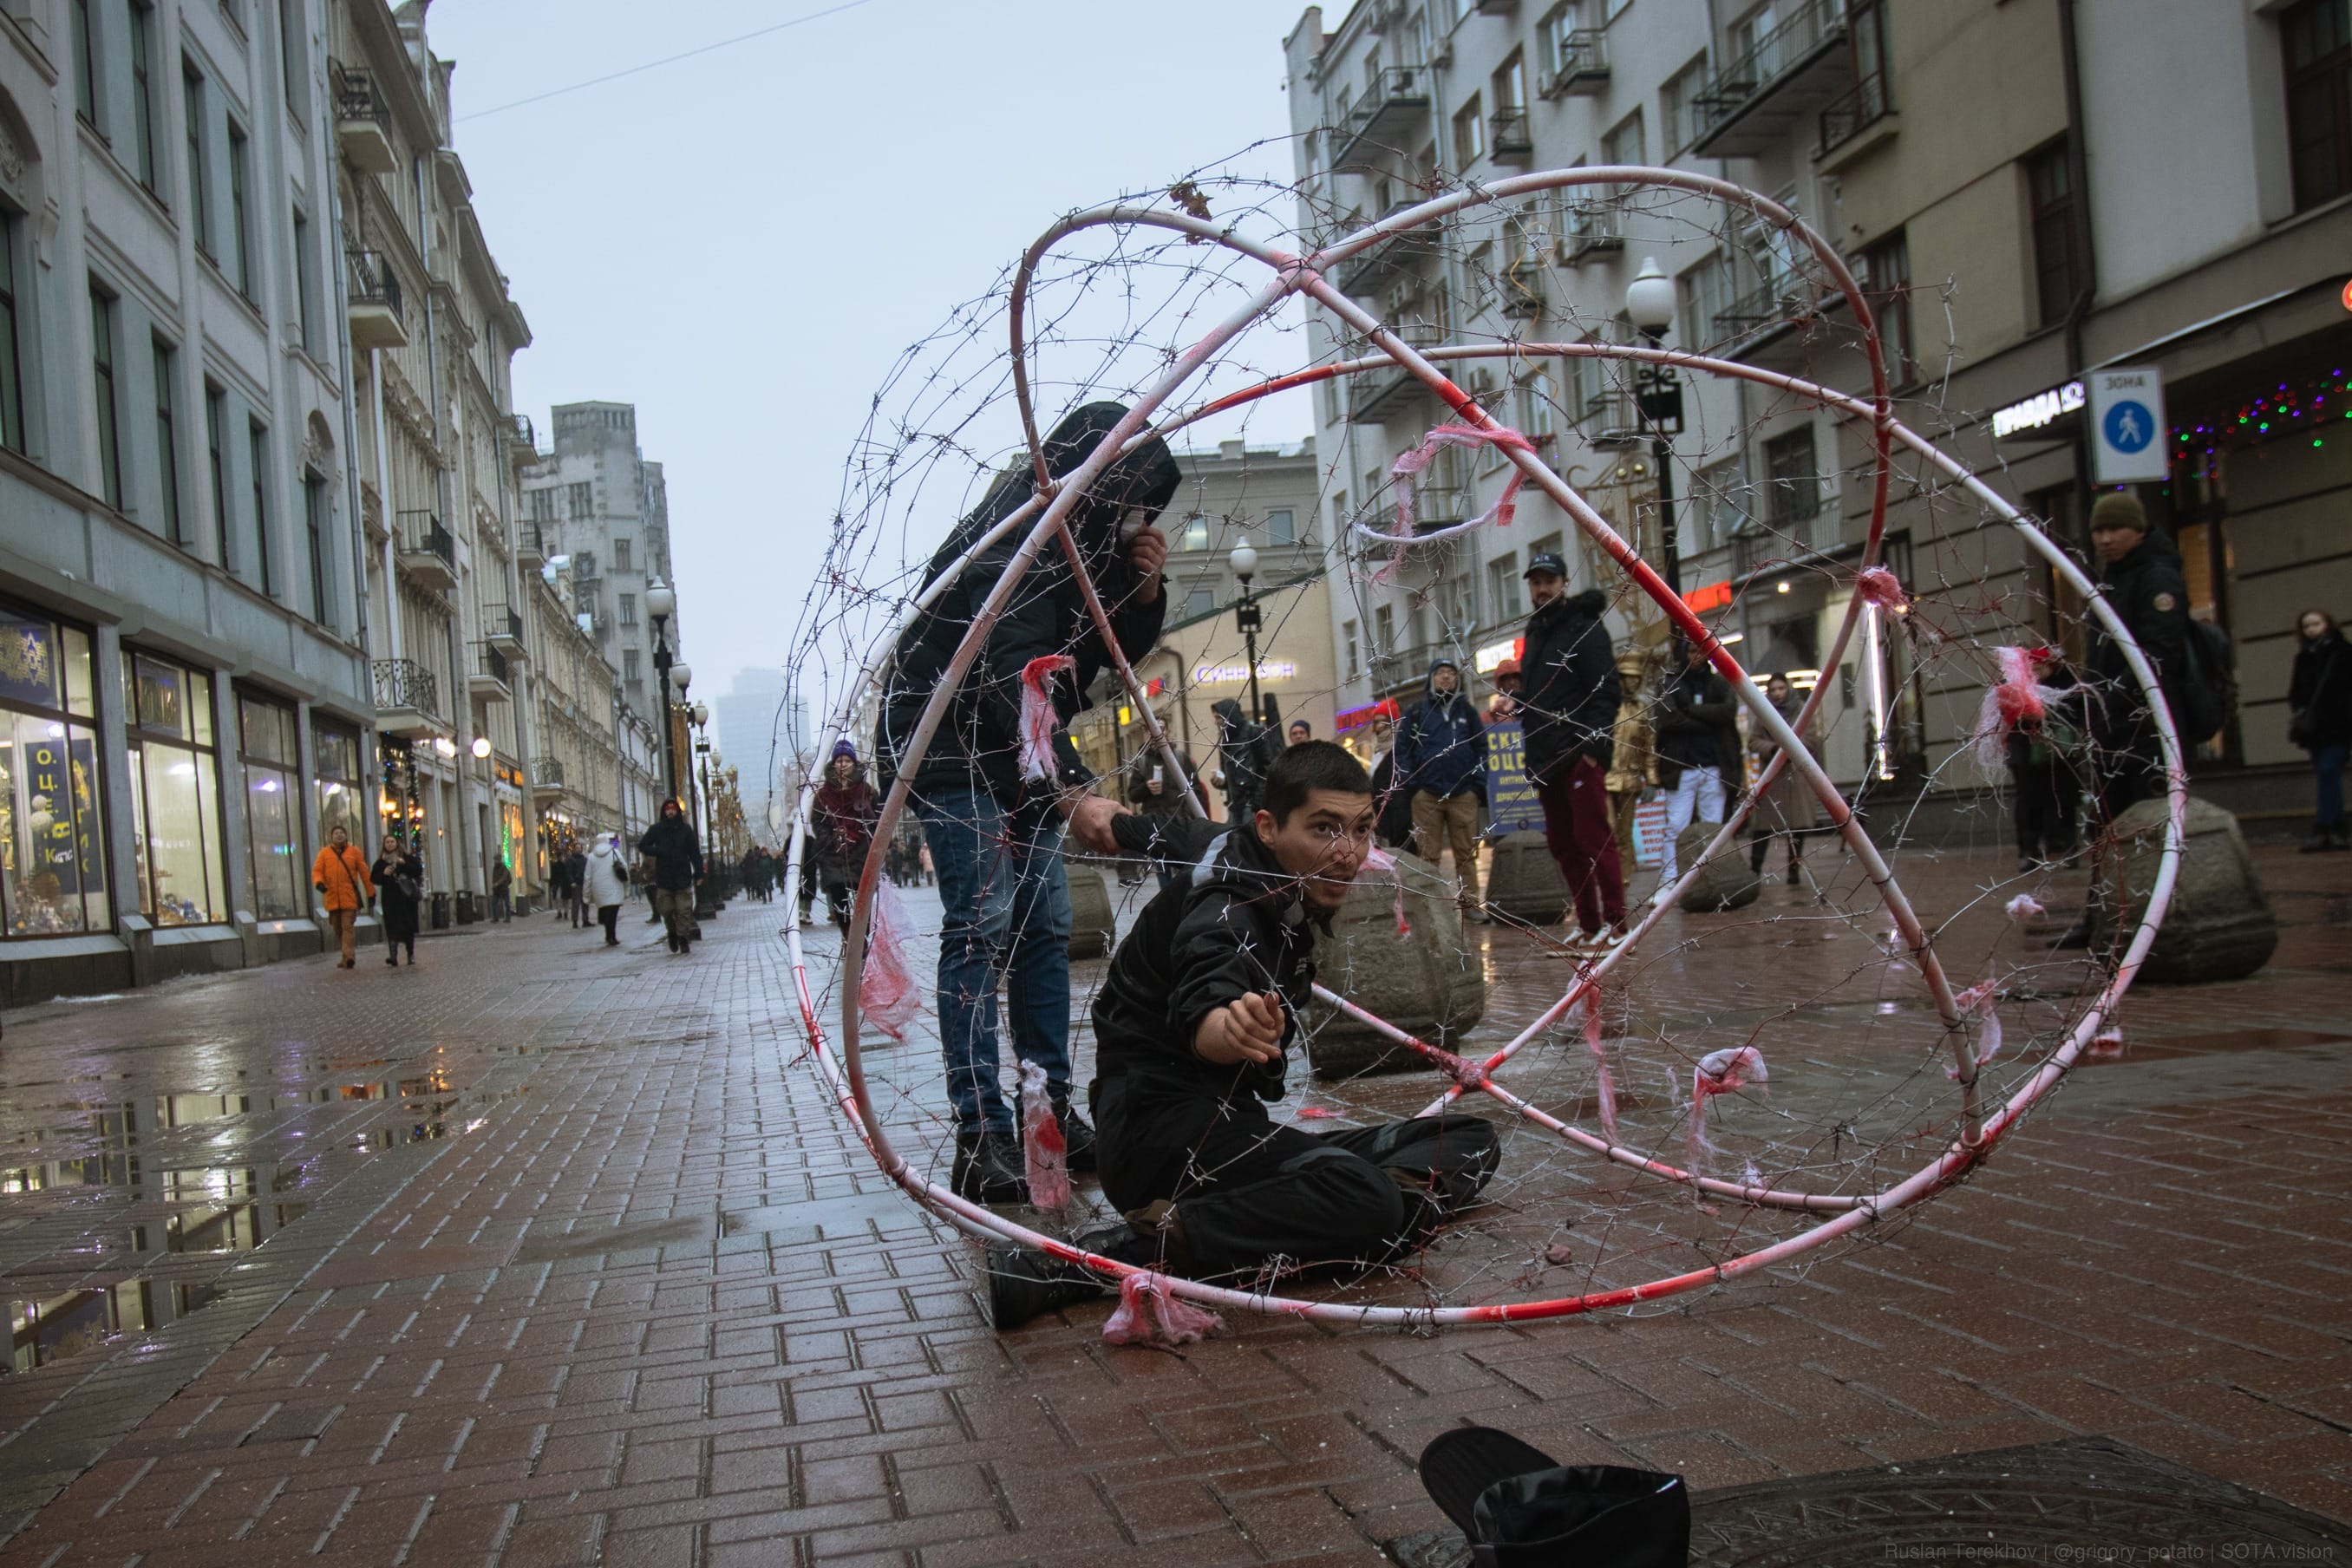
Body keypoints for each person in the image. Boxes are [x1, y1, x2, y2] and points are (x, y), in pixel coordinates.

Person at [983, 742, 1501, 1330]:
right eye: (1324, 829)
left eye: (1361, 830)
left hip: (1227, 1127)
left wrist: (1112, 821)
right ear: (1270, 827)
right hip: (1160, 1143)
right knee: (1369, 1201)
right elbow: (1212, 979)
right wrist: (1227, 1026)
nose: (1347, 853)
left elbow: (1176, 832)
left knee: (1467, 1136)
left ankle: (1346, 1213)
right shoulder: (1230, 905)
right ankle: (1100, 1259)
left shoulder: (1236, 850)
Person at [877, 400, 1179, 1204]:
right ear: (1097, 478)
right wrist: (1067, 793)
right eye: (1131, 495)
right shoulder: (1019, 541)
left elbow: (1095, 656)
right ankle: (980, 1132)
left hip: (1018, 740)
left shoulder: (1078, 550)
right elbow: (1010, 678)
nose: (1139, 514)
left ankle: (1046, 1117)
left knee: (1043, 927)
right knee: (982, 926)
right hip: (949, 741)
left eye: (1148, 502)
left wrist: (1143, 589)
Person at [2050, 492, 2198, 950]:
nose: (2106, 539)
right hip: (2113, 726)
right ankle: (2102, 917)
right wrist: (2083, 703)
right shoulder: (2111, 579)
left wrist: (2111, 700)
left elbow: (2156, 656)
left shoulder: (2157, 577)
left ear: (2139, 530)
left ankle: (2152, 918)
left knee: (2146, 824)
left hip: (2148, 729)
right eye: (2098, 530)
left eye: (2115, 529)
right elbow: (2105, 659)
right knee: (2105, 824)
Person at [1514, 554, 1624, 951]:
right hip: (1545, 757)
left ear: (1564, 582)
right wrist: (1518, 701)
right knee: (1563, 845)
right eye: (1536, 582)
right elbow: (1542, 692)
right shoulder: (1536, 631)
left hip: (1578, 751)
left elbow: (1607, 691)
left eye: (1549, 580)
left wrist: (1594, 747)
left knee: (1593, 839)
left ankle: (1618, 923)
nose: (1542, 588)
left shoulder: (1584, 627)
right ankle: (1589, 923)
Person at [1396, 658, 1490, 919]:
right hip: (1426, 795)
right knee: (1427, 856)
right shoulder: (1417, 712)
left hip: (1463, 793)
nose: (1446, 677)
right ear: (1431, 678)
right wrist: (1412, 784)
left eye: (1451, 673)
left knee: (1466, 854)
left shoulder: (1467, 712)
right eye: (1440, 673)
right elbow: (1402, 751)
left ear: (1457, 679)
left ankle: (1470, 905)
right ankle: (1432, 909)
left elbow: (1482, 748)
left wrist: (1477, 785)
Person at [1651, 639, 1740, 887]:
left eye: (1701, 651)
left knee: (1713, 828)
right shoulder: (1669, 683)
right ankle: (1668, 882)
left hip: (1714, 766)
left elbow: (1728, 712)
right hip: (1681, 768)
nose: (1697, 656)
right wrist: (1710, 720)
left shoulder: (1718, 683)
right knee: (1675, 827)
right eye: (1691, 651)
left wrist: (1690, 709)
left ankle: (1712, 880)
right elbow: (1670, 719)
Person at [1746, 673, 1820, 885]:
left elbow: (1812, 738)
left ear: (1788, 688)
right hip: (1772, 775)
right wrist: (1773, 749)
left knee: (1797, 826)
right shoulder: (1763, 712)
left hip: (1795, 774)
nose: (1777, 693)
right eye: (1773, 690)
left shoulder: (1802, 709)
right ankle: (1755, 870)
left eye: (1781, 688)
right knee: (1762, 826)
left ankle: (1793, 869)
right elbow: (1753, 742)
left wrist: (1791, 749)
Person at [2288, 608, 2350, 853]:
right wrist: (2301, 709)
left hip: (2339, 726)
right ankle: (2336, 829)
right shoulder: (2304, 657)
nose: (2311, 629)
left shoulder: (2343, 652)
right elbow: (2295, 691)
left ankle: (2324, 827)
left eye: (2316, 623)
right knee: (2327, 776)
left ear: (2327, 624)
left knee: (2327, 771)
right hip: (2314, 729)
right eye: (2306, 626)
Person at [813, 742, 880, 930]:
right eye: (839, 761)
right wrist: (831, 839)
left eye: (847, 760)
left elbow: (877, 819)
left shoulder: (867, 791)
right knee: (839, 903)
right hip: (834, 855)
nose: (843, 765)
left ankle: (862, 940)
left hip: (861, 853)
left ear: (853, 763)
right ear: (834, 764)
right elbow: (818, 822)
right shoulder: (823, 795)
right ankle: (847, 938)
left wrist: (868, 840)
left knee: (864, 903)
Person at [1125, 743, 1205, 892]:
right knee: (1162, 868)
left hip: (1181, 822)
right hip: (1157, 824)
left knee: (1184, 865)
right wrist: (1146, 787)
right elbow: (1132, 795)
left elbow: (1196, 791)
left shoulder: (1181, 758)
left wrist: (1190, 816)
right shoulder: (1142, 762)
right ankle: (1170, 898)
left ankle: (1184, 896)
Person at [1605, 652, 1656, 866]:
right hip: (1605, 778)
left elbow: (1649, 747)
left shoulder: (1641, 710)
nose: (1634, 682)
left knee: (1625, 836)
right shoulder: (1607, 707)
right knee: (1608, 833)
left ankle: (1624, 881)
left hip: (1630, 779)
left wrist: (1651, 780)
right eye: (1629, 677)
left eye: (1637, 678)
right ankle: (1609, 877)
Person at [638, 798, 704, 954]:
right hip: (664, 878)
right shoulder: (656, 829)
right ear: (664, 811)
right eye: (667, 809)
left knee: (684, 910)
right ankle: (672, 931)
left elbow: (694, 853)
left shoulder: (685, 830)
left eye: (673, 809)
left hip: (682, 876)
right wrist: (657, 851)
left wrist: (699, 873)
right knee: (666, 909)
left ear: (677, 811)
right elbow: (643, 845)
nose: (670, 812)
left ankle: (682, 937)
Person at [311, 825, 372, 969]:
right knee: (338, 929)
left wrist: (371, 893)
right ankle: (346, 956)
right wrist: (319, 883)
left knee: (347, 927)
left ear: (346, 835)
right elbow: (317, 871)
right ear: (331, 837)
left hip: (349, 898)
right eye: (336, 833)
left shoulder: (354, 852)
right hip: (332, 898)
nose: (339, 835)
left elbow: (364, 873)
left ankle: (349, 956)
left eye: (341, 833)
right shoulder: (324, 853)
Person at [1363, 715, 1418, 851]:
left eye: (1381, 721)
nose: (1378, 725)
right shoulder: (1377, 752)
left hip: (1401, 809)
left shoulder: (1400, 748)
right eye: (1375, 722)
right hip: (1384, 811)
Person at [371, 834, 423, 967]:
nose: (389, 844)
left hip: (406, 897)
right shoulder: (381, 862)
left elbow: (418, 870)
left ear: (397, 843)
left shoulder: (406, 858)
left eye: (392, 842)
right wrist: (384, 874)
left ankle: (410, 954)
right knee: (391, 926)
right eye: (387, 842)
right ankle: (393, 956)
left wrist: (403, 865)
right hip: (390, 898)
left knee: (408, 926)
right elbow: (374, 878)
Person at [582, 831, 631, 945]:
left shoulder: (591, 857)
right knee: (613, 913)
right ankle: (611, 936)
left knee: (605, 911)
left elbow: (587, 877)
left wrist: (586, 895)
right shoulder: (615, 852)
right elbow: (624, 868)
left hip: (599, 889)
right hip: (615, 887)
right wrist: (627, 887)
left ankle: (608, 934)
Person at [1486, 657, 1522, 723]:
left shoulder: (1535, 708)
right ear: (1500, 683)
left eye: (1515, 677)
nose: (1512, 682)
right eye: (1507, 679)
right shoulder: (1487, 718)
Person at [565, 844, 589, 929]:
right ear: (574, 849)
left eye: (579, 848)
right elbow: (568, 872)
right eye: (577, 848)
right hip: (576, 883)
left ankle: (585, 920)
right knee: (576, 903)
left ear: (581, 849)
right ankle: (575, 921)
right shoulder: (571, 860)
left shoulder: (584, 859)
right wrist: (572, 881)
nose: (578, 849)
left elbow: (588, 871)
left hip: (584, 883)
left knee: (585, 902)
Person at [489, 855, 513, 923]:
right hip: (496, 889)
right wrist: (494, 884)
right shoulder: (495, 868)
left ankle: (508, 918)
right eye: (494, 860)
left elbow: (504, 878)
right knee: (494, 903)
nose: (495, 861)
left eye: (496, 860)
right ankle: (495, 918)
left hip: (504, 888)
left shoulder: (504, 868)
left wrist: (497, 883)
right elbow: (494, 877)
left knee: (507, 903)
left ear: (499, 860)